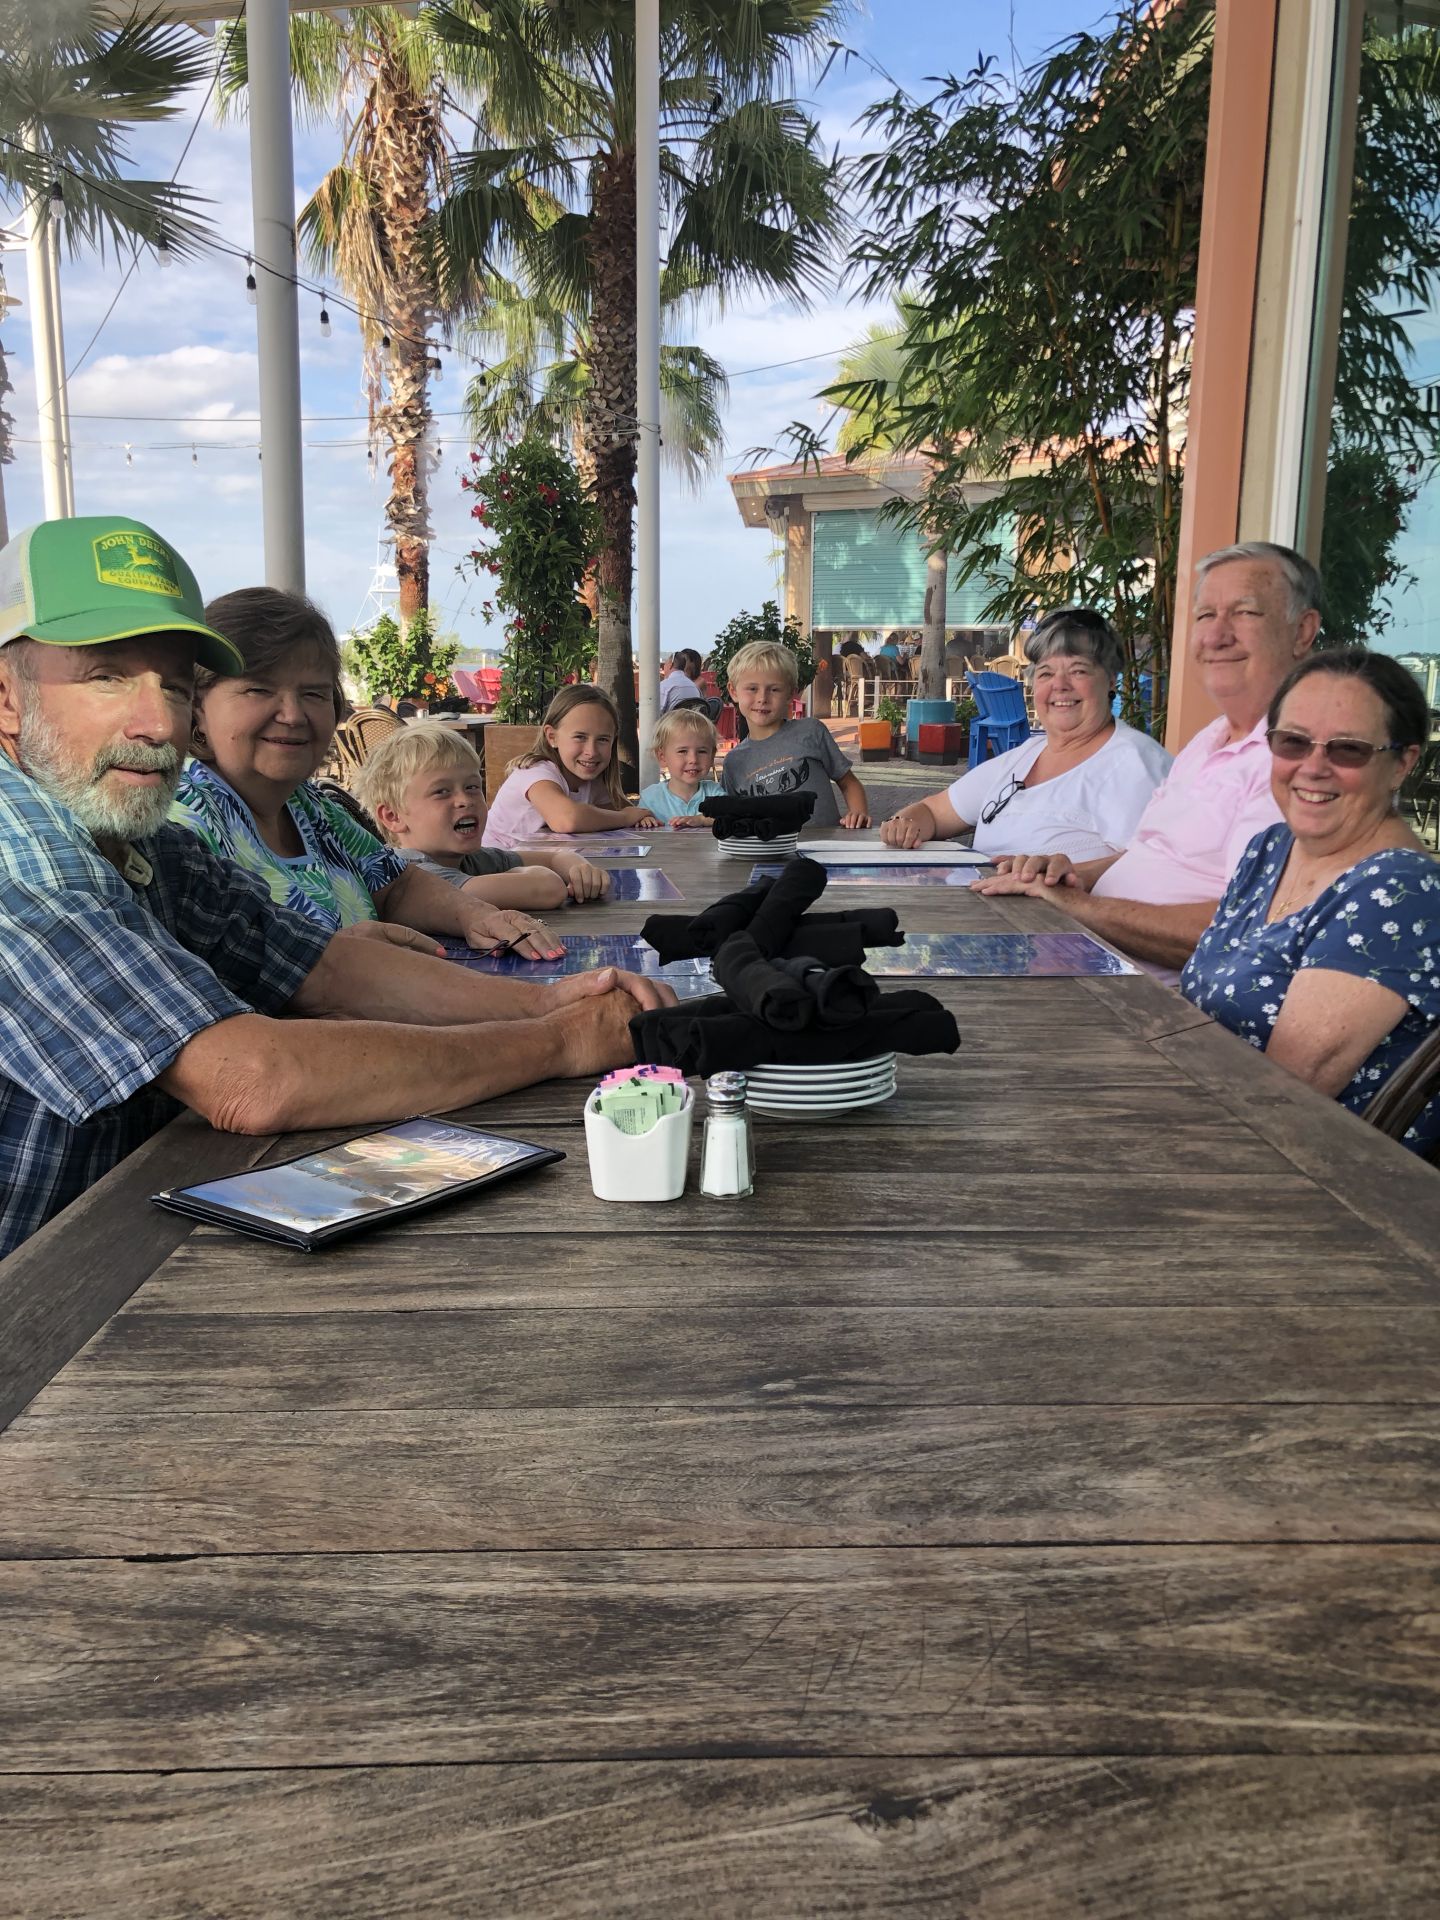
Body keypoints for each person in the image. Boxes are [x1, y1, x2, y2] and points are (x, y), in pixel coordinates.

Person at [0, 514, 672, 1259]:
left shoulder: (147, 841)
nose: (159, 722)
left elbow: (321, 966)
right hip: (45, 1287)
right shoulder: (22, 864)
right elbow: (250, 1081)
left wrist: (553, 1000)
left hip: (132, 1221)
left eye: (175, 686)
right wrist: (558, 1040)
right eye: (106, 677)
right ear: (7, 697)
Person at [974, 541, 1323, 974]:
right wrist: (1074, 875)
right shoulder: (1212, 739)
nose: (1216, 635)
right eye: (1205, 616)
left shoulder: (1298, 761)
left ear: (1302, 631)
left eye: (1245, 612)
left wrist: (1074, 904)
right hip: (1087, 959)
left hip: (1149, 1001)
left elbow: (1244, 934)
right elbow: (1150, 855)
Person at [170, 588, 563, 961]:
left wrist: (475, 915)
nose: (292, 715)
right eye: (258, 689)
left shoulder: (310, 807)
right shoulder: (184, 822)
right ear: (195, 705)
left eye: (313, 693)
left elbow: (395, 886)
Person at [1181, 650, 1440, 1153]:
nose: (1313, 767)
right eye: (1293, 742)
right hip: (1211, 1121)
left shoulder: (1398, 893)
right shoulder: (1271, 848)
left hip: (1309, 1170)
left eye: (1349, 749)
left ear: (1402, 763)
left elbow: (1282, 1099)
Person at [880, 608, 1171, 861]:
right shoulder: (1025, 756)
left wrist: (1061, 874)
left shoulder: (1137, 764)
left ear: (1111, 679)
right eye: (1045, 673)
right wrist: (904, 824)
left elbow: (1157, 868)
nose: (1060, 685)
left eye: (1078, 671)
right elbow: (933, 811)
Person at [354, 721, 611, 906]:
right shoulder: (412, 871)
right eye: (442, 791)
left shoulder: (470, 859)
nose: (465, 800)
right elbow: (546, 889)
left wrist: (577, 866)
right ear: (394, 817)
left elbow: (555, 858)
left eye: (472, 787)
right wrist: (522, 875)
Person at [484, 683, 661, 848]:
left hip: (533, 863)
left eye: (602, 739)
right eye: (580, 737)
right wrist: (627, 817)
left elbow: (620, 811)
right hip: (492, 864)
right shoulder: (536, 773)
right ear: (552, 737)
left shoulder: (593, 782)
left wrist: (639, 817)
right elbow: (567, 819)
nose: (591, 751)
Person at [722, 640, 870, 829]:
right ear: (733, 691)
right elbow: (731, 813)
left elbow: (848, 783)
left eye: (774, 689)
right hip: (766, 847)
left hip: (827, 844)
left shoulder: (811, 731)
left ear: (791, 693)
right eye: (752, 689)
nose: (762, 698)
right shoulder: (733, 762)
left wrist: (858, 814)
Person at [639, 709, 726, 826]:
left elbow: (729, 816)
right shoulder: (651, 797)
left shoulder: (714, 792)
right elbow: (638, 821)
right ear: (662, 756)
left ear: (712, 756)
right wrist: (644, 820)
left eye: (702, 751)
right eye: (682, 751)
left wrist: (702, 820)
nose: (693, 759)